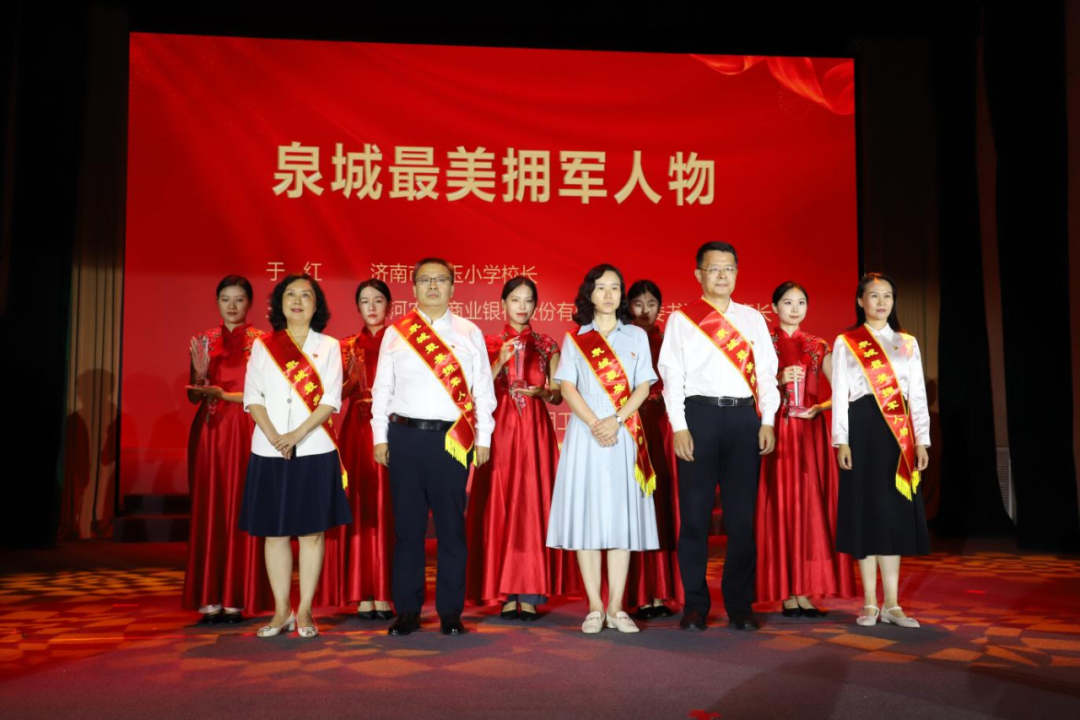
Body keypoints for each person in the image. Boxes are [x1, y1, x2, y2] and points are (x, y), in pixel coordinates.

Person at [658, 241, 779, 632]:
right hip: (699, 418)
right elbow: (672, 377)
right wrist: (679, 426)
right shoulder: (682, 320)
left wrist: (767, 420)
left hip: (744, 419)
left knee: (742, 520)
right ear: (699, 274)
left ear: (737, 273)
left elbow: (767, 374)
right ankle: (695, 605)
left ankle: (740, 606)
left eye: (729, 268)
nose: (723, 275)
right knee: (694, 518)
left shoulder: (752, 319)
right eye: (714, 269)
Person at [372, 258, 496, 636]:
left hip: (452, 441)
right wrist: (380, 436)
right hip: (405, 438)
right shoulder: (396, 333)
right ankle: (408, 611)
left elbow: (483, 391)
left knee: (451, 528)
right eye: (425, 280)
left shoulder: (469, 332)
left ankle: (450, 612)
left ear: (452, 288)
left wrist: (483, 438)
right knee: (408, 529)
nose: (432, 286)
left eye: (440, 280)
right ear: (413, 288)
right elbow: (382, 390)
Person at [547, 264, 659, 635]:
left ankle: (616, 607)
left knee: (621, 518)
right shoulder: (575, 339)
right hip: (586, 435)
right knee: (588, 517)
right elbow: (567, 387)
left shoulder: (636, 336)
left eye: (614, 287)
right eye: (600, 287)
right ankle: (594, 606)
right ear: (589, 294)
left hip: (624, 433)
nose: (608, 294)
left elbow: (643, 386)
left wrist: (616, 420)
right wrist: (597, 423)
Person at [238, 273, 352, 639]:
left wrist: (295, 435)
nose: (298, 301)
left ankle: (305, 611)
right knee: (274, 533)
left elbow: (330, 400)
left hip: (315, 448)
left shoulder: (329, 346)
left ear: (317, 305)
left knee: (311, 533)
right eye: (290, 294)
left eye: (306, 295)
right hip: (268, 449)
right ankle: (281, 610)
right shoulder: (264, 345)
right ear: (279, 303)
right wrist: (275, 437)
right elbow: (253, 396)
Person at [465, 276, 577, 621]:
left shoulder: (547, 344)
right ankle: (502, 591)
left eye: (528, 300)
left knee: (531, 504)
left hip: (534, 431)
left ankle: (529, 592)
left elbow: (559, 394)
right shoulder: (487, 342)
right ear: (503, 303)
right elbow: (473, 390)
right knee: (499, 503)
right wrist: (498, 361)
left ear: (536, 305)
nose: (522, 306)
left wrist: (544, 393)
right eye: (515, 299)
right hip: (499, 430)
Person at [832, 273, 930, 628]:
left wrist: (921, 440)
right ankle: (869, 603)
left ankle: (892, 603)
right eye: (874, 296)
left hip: (896, 433)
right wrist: (841, 439)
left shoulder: (907, 342)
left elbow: (917, 395)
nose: (881, 302)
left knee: (892, 514)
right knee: (865, 511)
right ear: (861, 301)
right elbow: (840, 394)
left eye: (887, 295)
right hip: (861, 428)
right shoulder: (847, 342)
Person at [755, 281, 856, 618]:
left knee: (810, 506)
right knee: (779, 506)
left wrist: (820, 407)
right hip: (775, 430)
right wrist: (778, 379)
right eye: (787, 302)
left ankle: (805, 591)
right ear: (773, 307)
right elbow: (747, 385)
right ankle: (785, 592)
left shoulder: (817, 345)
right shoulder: (763, 343)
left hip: (809, 432)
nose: (795, 309)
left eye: (801, 302)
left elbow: (843, 389)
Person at [182, 275, 268, 624]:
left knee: (241, 507)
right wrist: (200, 386)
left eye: (239, 299)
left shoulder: (261, 342)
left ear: (249, 303)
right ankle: (209, 599)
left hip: (246, 429)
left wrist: (224, 395)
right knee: (210, 508)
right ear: (217, 302)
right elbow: (193, 396)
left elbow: (264, 393)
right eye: (225, 299)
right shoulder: (203, 341)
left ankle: (237, 598)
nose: (232, 306)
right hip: (209, 432)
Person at [625, 280, 683, 620]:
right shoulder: (622, 339)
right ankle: (639, 594)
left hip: (665, 427)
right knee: (636, 504)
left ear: (661, 306)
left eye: (651, 303)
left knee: (664, 505)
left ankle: (661, 591)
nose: (645, 310)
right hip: (633, 427)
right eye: (638, 303)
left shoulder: (671, 340)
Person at [338, 279, 395, 620]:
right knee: (360, 507)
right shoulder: (345, 346)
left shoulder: (400, 342)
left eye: (378, 300)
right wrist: (350, 380)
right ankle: (362, 591)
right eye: (364, 301)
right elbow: (335, 395)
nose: (371, 307)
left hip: (391, 429)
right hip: (357, 432)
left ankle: (387, 591)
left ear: (389, 305)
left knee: (391, 507)